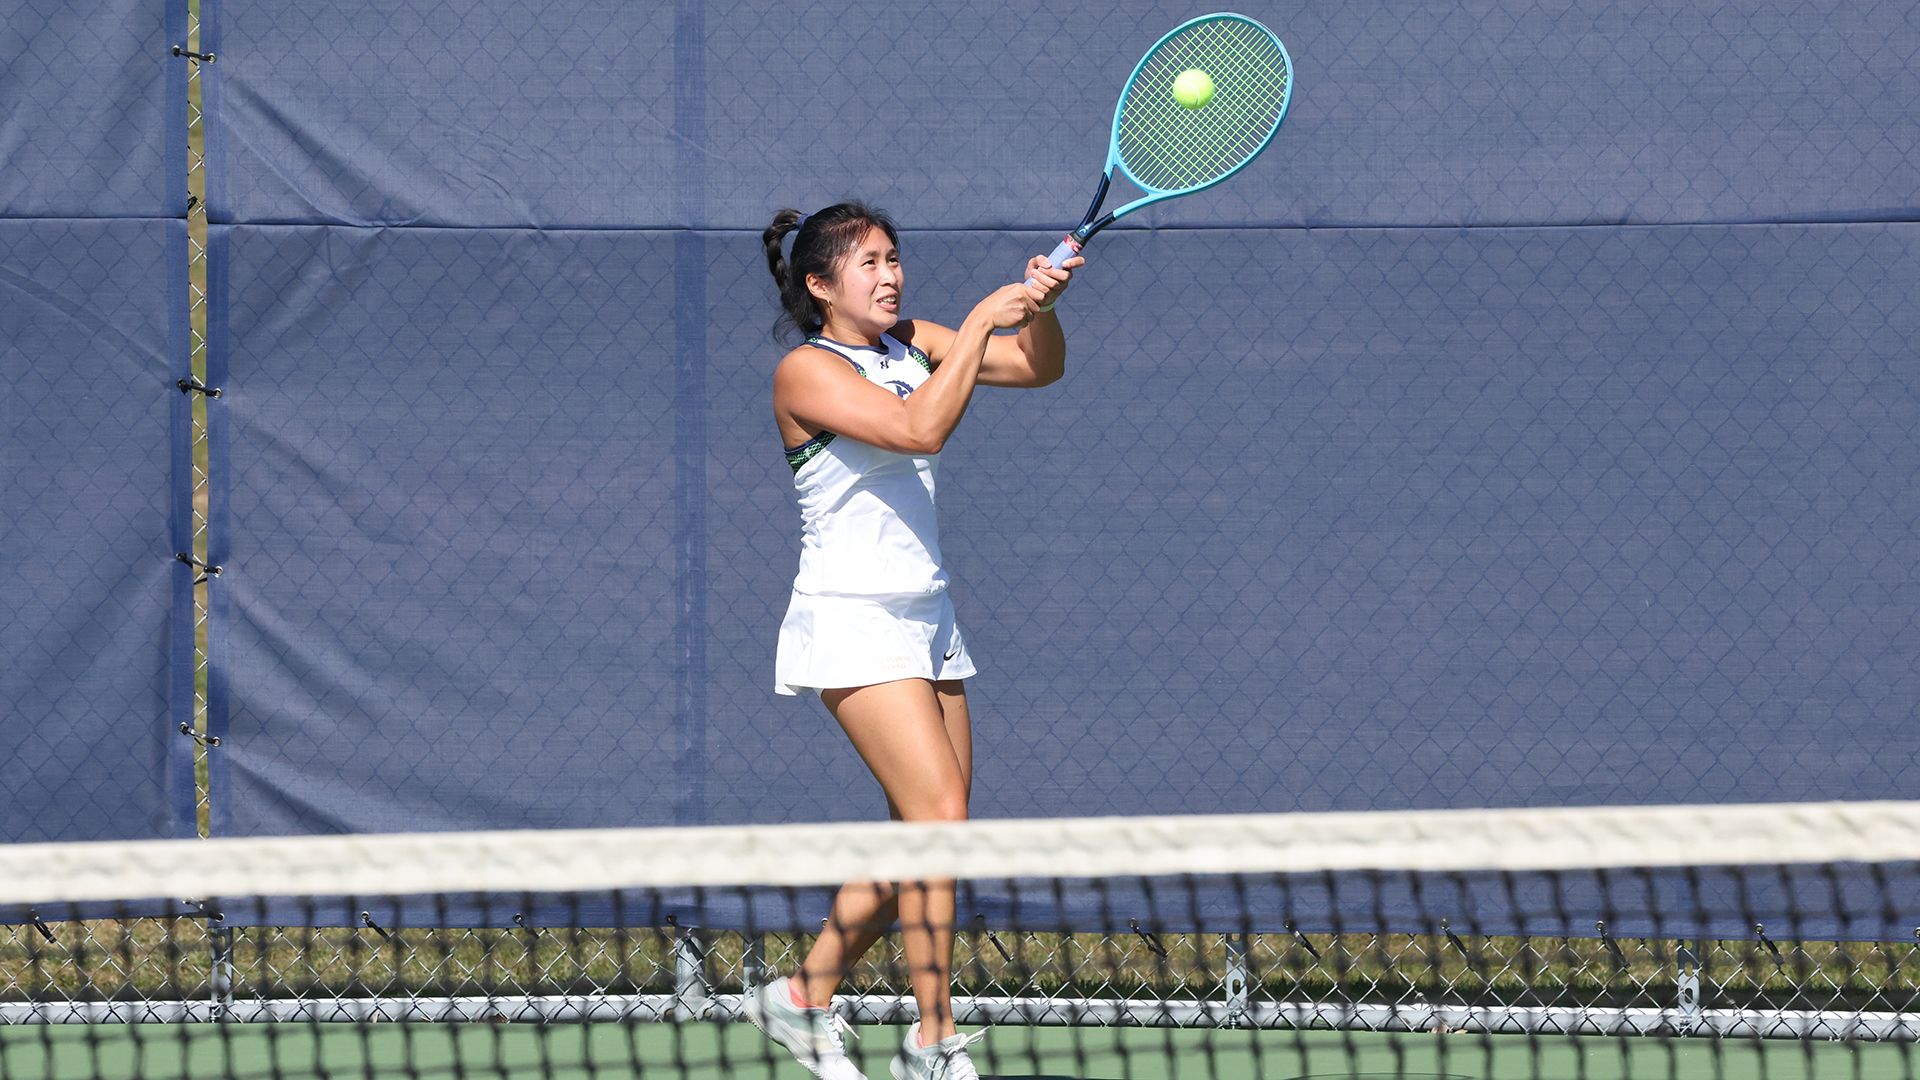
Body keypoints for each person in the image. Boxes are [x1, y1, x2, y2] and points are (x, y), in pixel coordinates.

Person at [742, 202, 1077, 1080]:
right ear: (820, 285)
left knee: (925, 836)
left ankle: (802, 997)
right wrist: (974, 323)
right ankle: (931, 1040)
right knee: (938, 820)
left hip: (928, 617)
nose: (890, 275)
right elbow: (920, 428)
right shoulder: (804, 371)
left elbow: (1036, 369)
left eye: (894, 258)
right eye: (869, 264)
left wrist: (1039, 305)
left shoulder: (912, 342)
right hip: (852, 619)